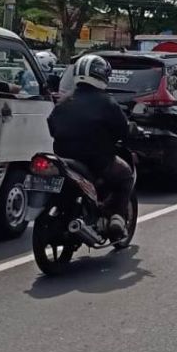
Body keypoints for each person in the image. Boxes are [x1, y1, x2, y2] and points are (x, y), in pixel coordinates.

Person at [47, 54, 133, 240]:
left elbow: (52, 126)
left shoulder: (64, 100)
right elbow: (123, 130)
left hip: (64, 158)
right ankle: (117, 218)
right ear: (101, 75)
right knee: (125, 175)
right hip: (96, 161)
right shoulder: (107, 102)